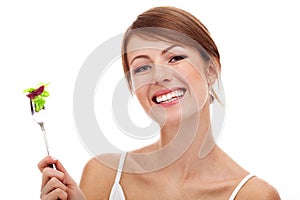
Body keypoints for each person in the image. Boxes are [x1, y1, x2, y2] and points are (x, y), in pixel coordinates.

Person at [38, 6, 280, 199]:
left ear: (212, 69)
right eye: (143, 67)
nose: (159, 75)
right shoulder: (104, 175)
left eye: (175, 57)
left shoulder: (253, 195)